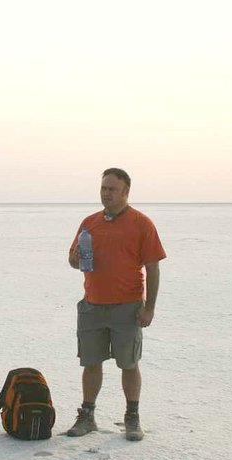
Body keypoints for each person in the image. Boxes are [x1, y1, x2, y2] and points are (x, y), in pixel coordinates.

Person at [66, 168, 166, 441]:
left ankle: (132, 417)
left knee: (128, 363)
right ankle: (87, 415)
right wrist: (76, 258)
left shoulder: (141, 223)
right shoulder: (89, 223)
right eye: (103, 188)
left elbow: (153, 269)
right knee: (91, 362)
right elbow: (74, 261)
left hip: (127, 307)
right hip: (92, 305)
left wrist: (150, 308)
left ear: (125, 192)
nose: (106, 193)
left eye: (112, 189)